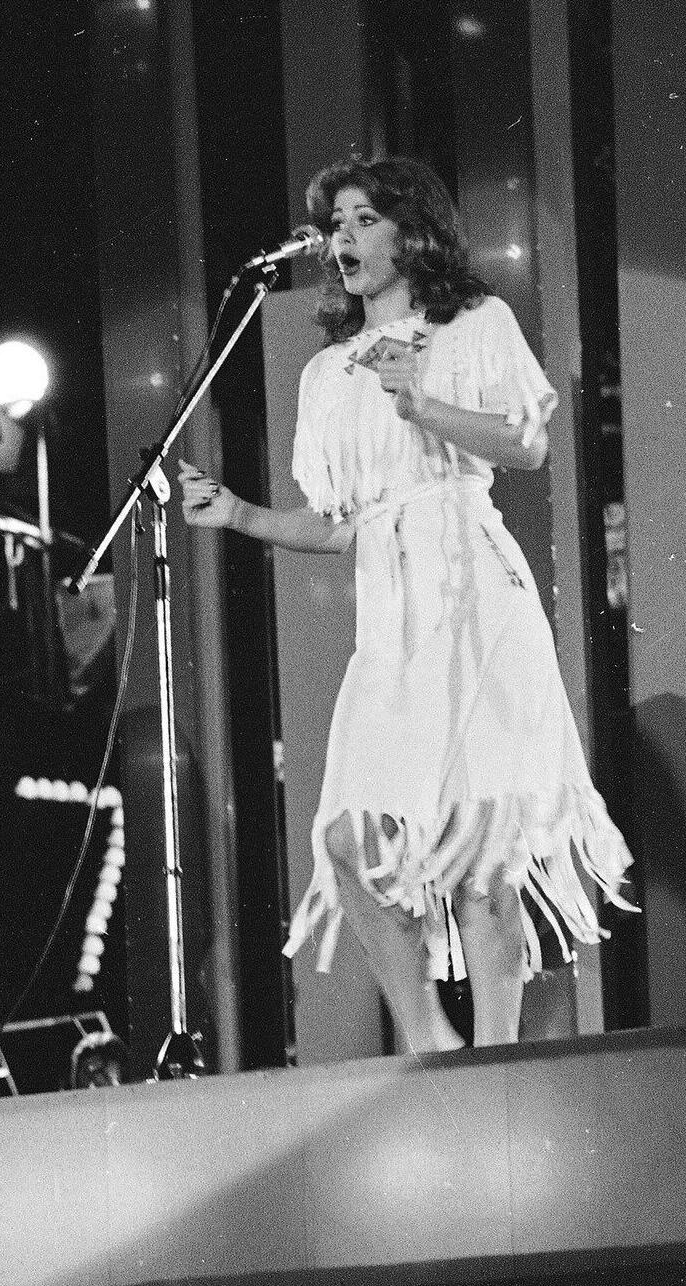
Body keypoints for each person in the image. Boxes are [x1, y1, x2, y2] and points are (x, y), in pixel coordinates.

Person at [178, 157, 632, 1054]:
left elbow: (527, 444)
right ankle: (431, 1042)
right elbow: (343, 522)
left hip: (475, 592)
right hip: (390, 618)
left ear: (412, 231)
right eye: (335, 224)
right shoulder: (327, 373)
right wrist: (237, 514)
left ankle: (495, 1054)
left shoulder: (475, 323)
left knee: (480, 844)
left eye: (363, 219)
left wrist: (424, 406)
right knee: (349, 838)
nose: (342, 238)